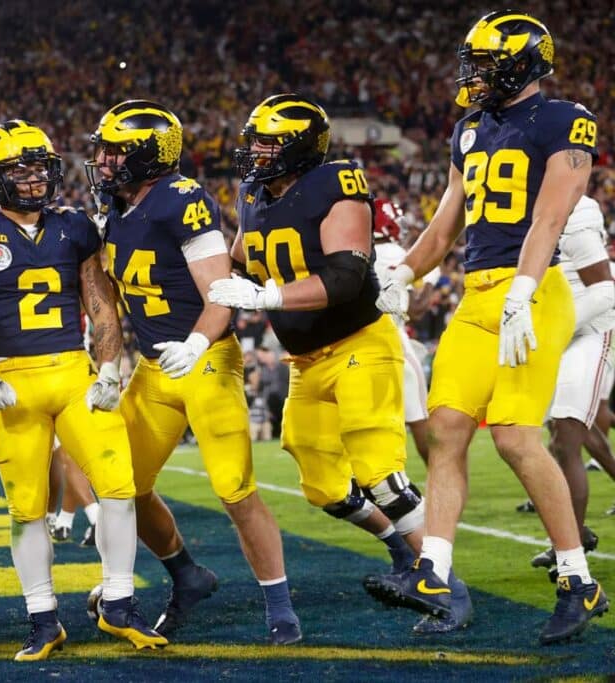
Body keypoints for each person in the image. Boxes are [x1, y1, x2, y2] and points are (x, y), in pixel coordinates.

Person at [370, 12, 607, 644]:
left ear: (522, 64)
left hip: (535, 292)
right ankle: (433, 572)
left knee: (514, 438)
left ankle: (578, 580)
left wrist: (522, 292)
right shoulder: (470, 128)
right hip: (476, 297)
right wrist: (404, 274)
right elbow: (446, 223)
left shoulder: (564, 120)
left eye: (485, 65)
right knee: (446, 427)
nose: (472, 76)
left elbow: (549, 217)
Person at [207, 95, 454, 632]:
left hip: (358, 343)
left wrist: (268, 297)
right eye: (255, 140)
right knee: (322, 484)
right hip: (305, 359)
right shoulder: (253, 192)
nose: (255, 151)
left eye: (268, 142)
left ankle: (445, 587)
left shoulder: (337, 183)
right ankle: (401, 549)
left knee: (380, 475)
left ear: (299, 147)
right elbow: (239, 262)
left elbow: (345, 277)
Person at [0, 119, 166, 660]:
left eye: (40, 168)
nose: (35, 179)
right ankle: (43, 619)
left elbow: (101, 304)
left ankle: (118, 602)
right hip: (11, 378)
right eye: (21, 170)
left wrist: (109, 368)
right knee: (27, 509)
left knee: (119, 487)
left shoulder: (74, 226)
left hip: (71, 373)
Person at [87, 100, 300, 643]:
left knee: (234, 489)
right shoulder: (116, 205)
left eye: (115, 152)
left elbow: (220, 293)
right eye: (103, 151)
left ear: (148, 154)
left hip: (205, 361)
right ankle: (186, 574)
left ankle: (280, 606)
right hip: (153, 368)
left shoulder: (182, 200)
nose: (104, 161)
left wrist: (197, 341)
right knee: (122, 486)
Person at [527, 196, 614, 578]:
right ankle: (572, 536)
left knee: (566, 438)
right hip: (553, 332)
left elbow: (605, 289)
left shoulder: (575, 207)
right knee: (555, 440)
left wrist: (555, 327)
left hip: (589, 328)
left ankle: (571, 551)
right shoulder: (523, 202)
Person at [371, 199, 436, 464]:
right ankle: (441, 477)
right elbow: (417, 310)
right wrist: (430, 282)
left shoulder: (358, 252)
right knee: (419, 417)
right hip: (394, 340)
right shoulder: (395, 253)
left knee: (373, 425)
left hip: (360, 344)